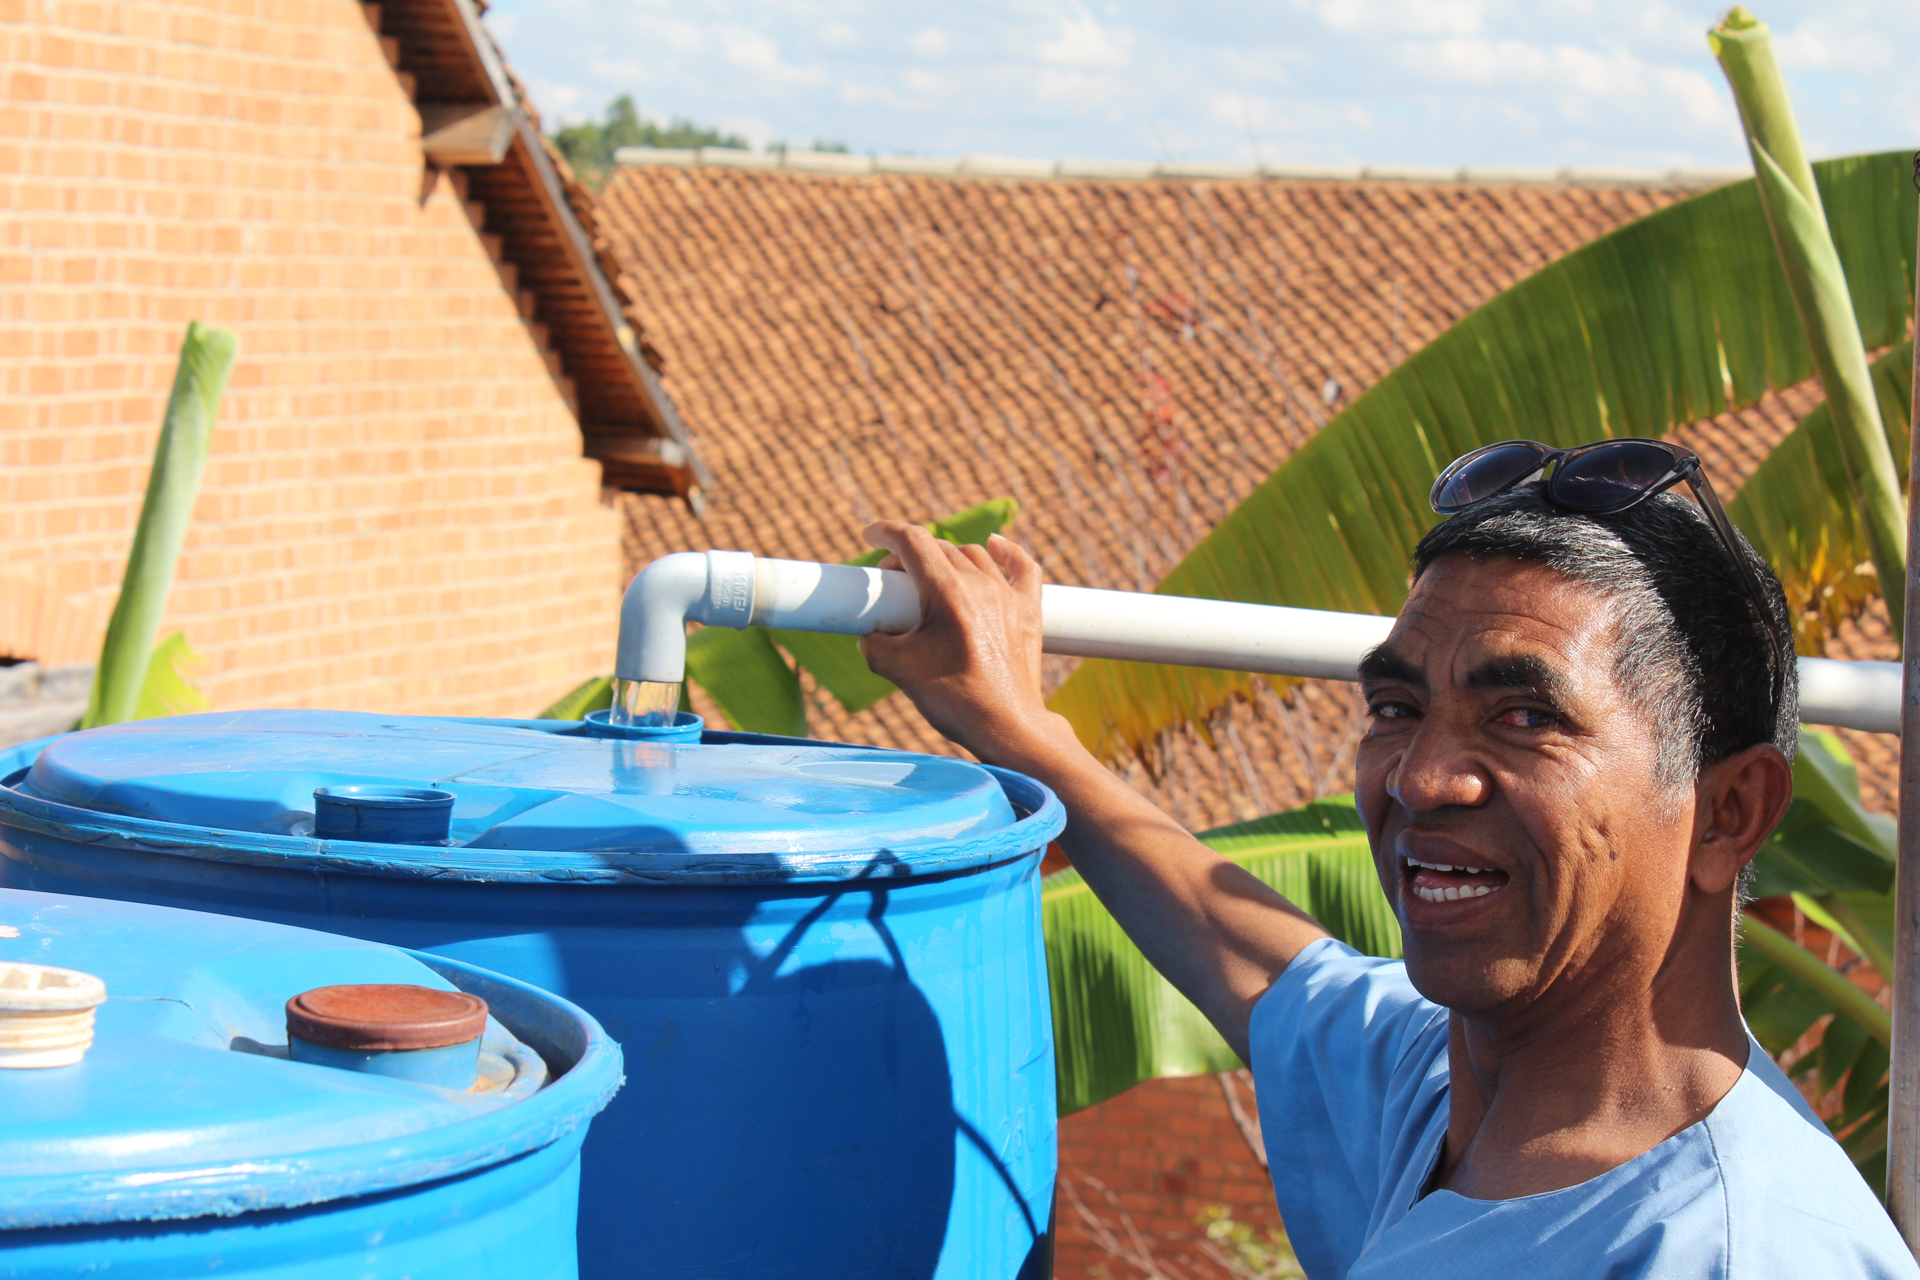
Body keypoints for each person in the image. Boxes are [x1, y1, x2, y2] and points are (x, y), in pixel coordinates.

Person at [856, 437, 1918, 1278]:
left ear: (1729, 810)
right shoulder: (1440, 1086)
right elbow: (1264, 961)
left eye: (1524, 715)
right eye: (1397, 705)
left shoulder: (1731, 1251)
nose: (1419, 777)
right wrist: (1020, 727)